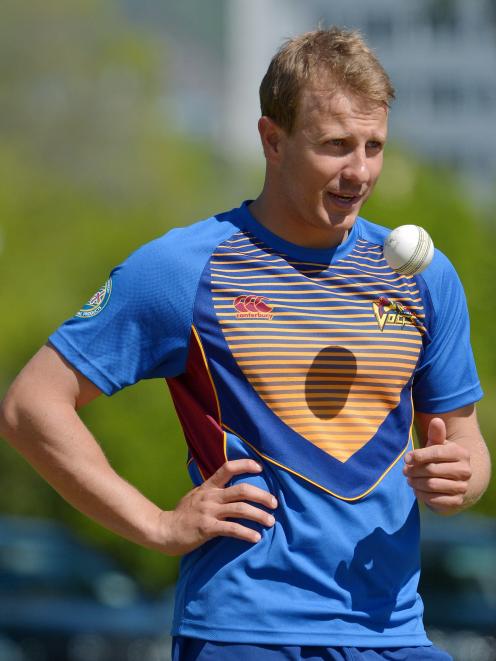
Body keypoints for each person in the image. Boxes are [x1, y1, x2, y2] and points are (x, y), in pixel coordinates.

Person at [0, 27, 491, 661]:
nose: (360, 171)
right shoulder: (182, 269)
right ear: (272, 140)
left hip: (393, 634)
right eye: (335, 146)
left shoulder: (421, 276)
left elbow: (466, 443)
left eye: (374, 146)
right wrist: (157, 524)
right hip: (244, 635)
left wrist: (463, 477)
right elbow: (31, 406)